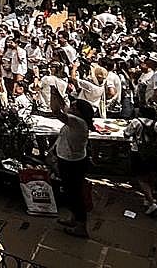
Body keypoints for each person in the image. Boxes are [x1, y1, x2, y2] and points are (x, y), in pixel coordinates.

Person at [50, 85, 92, 238]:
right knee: (70, 192)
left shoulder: (77, 122)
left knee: (74, 194)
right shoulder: (77, 120)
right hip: (70, 159)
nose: (70, 107)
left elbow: (56, 111)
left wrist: (52, 94)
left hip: (72, 163)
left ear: (79, 112)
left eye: (74, 107)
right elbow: (63, 106)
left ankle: (81, 226)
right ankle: (74, 218)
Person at [124, 105, 157, 216]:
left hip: (138, 153)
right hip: (156, 154)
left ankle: (151, 203)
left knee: (141, 178)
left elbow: (126, 134)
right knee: (151, 176)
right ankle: (148, 198)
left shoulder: (136, 122)